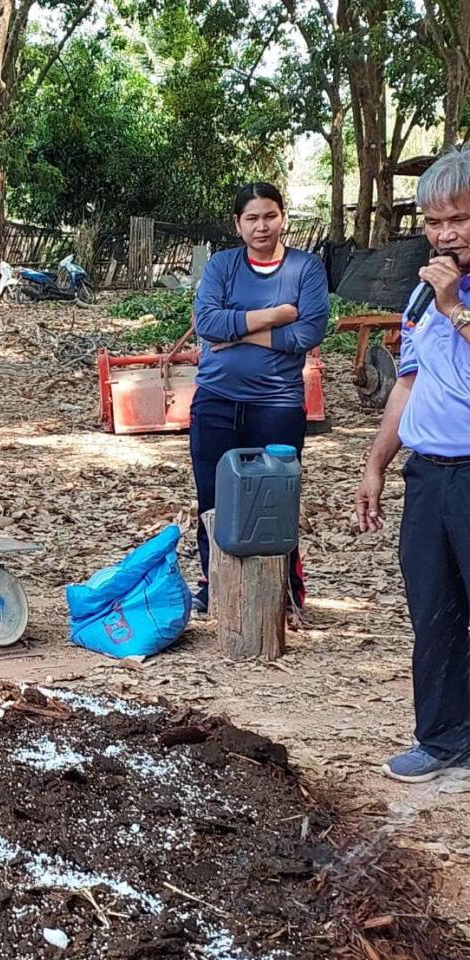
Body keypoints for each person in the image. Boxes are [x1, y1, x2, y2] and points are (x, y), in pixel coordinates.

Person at [356, 147, 470, 783]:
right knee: (434, 609)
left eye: (458, 219)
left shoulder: (447, 296)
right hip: (428, 476)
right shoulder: (422, 295)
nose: (444, 233)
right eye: (432, 221)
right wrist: (377, 463)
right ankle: (444, 740)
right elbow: (406, 383)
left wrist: (456, 305)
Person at [190, 182, 328, 618]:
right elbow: (207, 323)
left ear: (282, 217)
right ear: (238, 224)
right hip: (215, 401)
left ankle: (284, 592)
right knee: (212, 498)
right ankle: (215, 587)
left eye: (269, 216)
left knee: (274, 499)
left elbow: (308, 333)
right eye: (251, 218)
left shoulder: (305, 269)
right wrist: (275, 316)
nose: (261, 226)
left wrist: (241, 332)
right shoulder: (222, 266)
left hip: (278, 404)